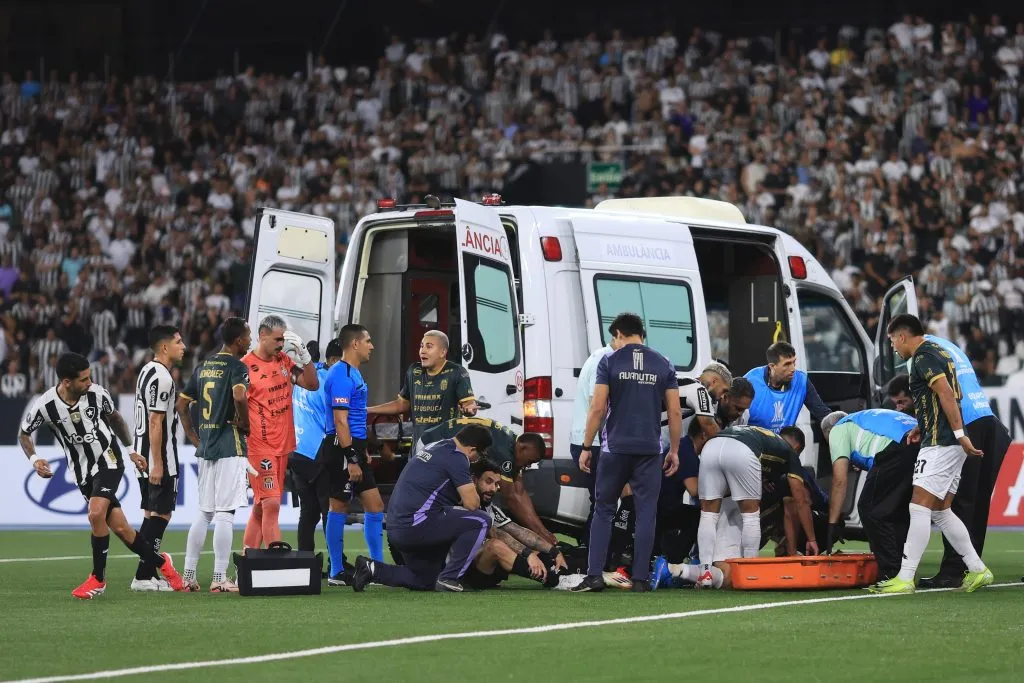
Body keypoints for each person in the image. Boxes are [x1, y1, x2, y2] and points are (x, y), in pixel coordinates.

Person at [19, 352, 185, 599]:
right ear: (66, 382)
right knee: (121, 529)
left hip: (109, 459)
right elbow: (24, 433)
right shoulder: (46, 405)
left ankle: (98, 578)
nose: (90, 382)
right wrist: (34, 459)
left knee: (95, 513)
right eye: (84, 379)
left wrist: (131, 451)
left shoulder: (97, 394)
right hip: (82, 472)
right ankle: (162, 562)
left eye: (90, 377)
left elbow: (115, 418)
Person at [871, 314, 993, 594]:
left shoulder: (923, 357)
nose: (893, 347)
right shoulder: (939, 351)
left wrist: (960, 435)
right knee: (941, 511)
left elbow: (946, 394)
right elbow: (936, 399)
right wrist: (922, 425)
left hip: (942, 443)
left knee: (919, 507)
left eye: (892, 341)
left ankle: (905, 578)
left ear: (902, 336)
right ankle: (978, 569)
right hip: (945, 439)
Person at [572, 312, 682, 593]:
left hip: (615, 448)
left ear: (619, 334)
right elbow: (674, 411)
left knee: (604, 510)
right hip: (650, 449)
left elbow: (597, 408)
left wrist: (586, 446)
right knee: (646, 512)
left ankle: (594, 576)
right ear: (642, 334)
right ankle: (641, 579)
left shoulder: (609, 361)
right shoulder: (664, 363)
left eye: (615, 338)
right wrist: (675, 450)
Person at [654, 426, 815, 590]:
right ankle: (751, 574)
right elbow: (799, 500)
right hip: (742, 454)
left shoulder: (764, 439)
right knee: (751, 515)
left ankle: (694, 571)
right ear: (796, 449)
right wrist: (811, 540)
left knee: (708, 514)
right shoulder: (788, 453)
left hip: (712, 446)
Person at [348, 425, 494, 593]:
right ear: (472, 449)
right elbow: (472, 504)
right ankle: (450, 579)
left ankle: (372, 569)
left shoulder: (436, 446)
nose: (477, 459)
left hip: (397, 526)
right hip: (416, 525)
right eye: (480, 454)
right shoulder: (457, 457)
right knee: (481, 520)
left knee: (425, 579)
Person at [915, 334, 1010, 588]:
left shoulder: (922, 353)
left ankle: (953, 571)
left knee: (955, 502)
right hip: (989, 421)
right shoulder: (949, 346)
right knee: (977, 502)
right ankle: (973, 567)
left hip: (965, 425)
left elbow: (940, 395)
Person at [177, 317, 252, 593]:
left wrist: (193, 436)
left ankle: (188, 576)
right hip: (229, 445)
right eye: (248, 336)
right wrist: (245, 423)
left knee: (204, 512)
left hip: (206, 446)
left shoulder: (203, 366)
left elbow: (181, 405)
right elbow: (240, 396)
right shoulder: (237, 366)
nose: (250, 342)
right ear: (238, 340)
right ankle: (219, 577)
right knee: (225, 513)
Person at [241, 315, 318, 551]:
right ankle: (275, 558)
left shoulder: (284, 361)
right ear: (262, 336)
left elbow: (312, 384)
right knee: (272, 503)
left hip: (283, 445)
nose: (282, 344)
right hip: (259, 446)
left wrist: (305, 356)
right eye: (277, 339)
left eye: (283, 339)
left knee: (261, 505)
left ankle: (247, 559)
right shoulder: (245, 367)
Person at [421, 416, 553, 544]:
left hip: (440, 441)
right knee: (442, 499)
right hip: (431, 443)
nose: (528, 466)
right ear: (523, 448)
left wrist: (543, 531)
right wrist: (539, 532)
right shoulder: (504, 452)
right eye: (530, 461)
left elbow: (520, 492)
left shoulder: (514, 446)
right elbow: (512, 498)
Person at [321, 324, 386, 585]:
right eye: (368, 341)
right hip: (341, 448)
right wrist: (351, 458)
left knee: (376, 506)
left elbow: (355, 419)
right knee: (339, 505)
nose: (372, 346)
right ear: (355, 344)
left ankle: (377, 568)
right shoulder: (341, 374)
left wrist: (362, 449)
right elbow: (340, 422)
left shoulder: (354, 373)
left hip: (354, 447)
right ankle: (336, 571)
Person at [820, 408, 919, 579]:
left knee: (869, 509)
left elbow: (839, 480)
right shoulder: (864, 419)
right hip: (918, 444)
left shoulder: (838, 428)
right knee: (899, 512)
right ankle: (904, 572)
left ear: (828, 431)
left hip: (895, 449)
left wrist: (832, 523)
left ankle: (890, 573)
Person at [130, 325, 188, 592]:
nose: (183, 346)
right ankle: (143, 575)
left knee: (150, 513)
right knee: (162, 514)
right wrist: (159, 464)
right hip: (159, 457)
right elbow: (156, 421)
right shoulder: (163, 378)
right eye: (178, 342)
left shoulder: (146, 370)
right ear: (164, 347)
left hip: (142, 454)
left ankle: (147, 573)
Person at [460, 459, 574, 590]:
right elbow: (496, 533)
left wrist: (554, 551)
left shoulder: (489, 507)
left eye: (496, 484)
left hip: (484, 569)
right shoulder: (463, 504)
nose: (493, 489)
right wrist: (528, 554)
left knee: (533, 548)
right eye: (488, 482)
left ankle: (567, 573)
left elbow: (518, 531)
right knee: (495, 546)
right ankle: (556, 581)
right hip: (465, 573)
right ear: (474, 480)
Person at [367, 330, 477, 444]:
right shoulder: (413, 371)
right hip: (419, 444)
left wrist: (469, 410)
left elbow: (469, 405)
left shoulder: (457, 372)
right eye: (421, 346)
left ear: (442, 352)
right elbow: (403, 404)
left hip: (445, 445)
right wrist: (368, 410)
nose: (422, 351)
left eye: (429, 347)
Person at [289, 339, 340, 556]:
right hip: (318, 453)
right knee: (330, 512)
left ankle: (305, 562)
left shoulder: (299, 380)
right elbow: (336, 422)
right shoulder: (327, 381)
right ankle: (336, 565)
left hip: (296, 451)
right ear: (334, 360)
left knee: (308, 513)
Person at [569, 336, 620, 539]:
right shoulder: (604, 359)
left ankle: (590, 548)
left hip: (590, 441)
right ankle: (593, 550)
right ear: (618, 336)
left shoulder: (602, 356)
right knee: (604, 502)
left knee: (601, 501)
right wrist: (588, 446)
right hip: (595, 442)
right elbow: (597, 406)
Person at [743, 342, 831, 432]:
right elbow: (737, 420)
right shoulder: (751, 381)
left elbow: (822, 413)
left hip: (784, 440)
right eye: (787, 364)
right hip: (754, 439)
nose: (793, 369)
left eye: (794, 362)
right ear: (772, 366)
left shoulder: (801, 380)